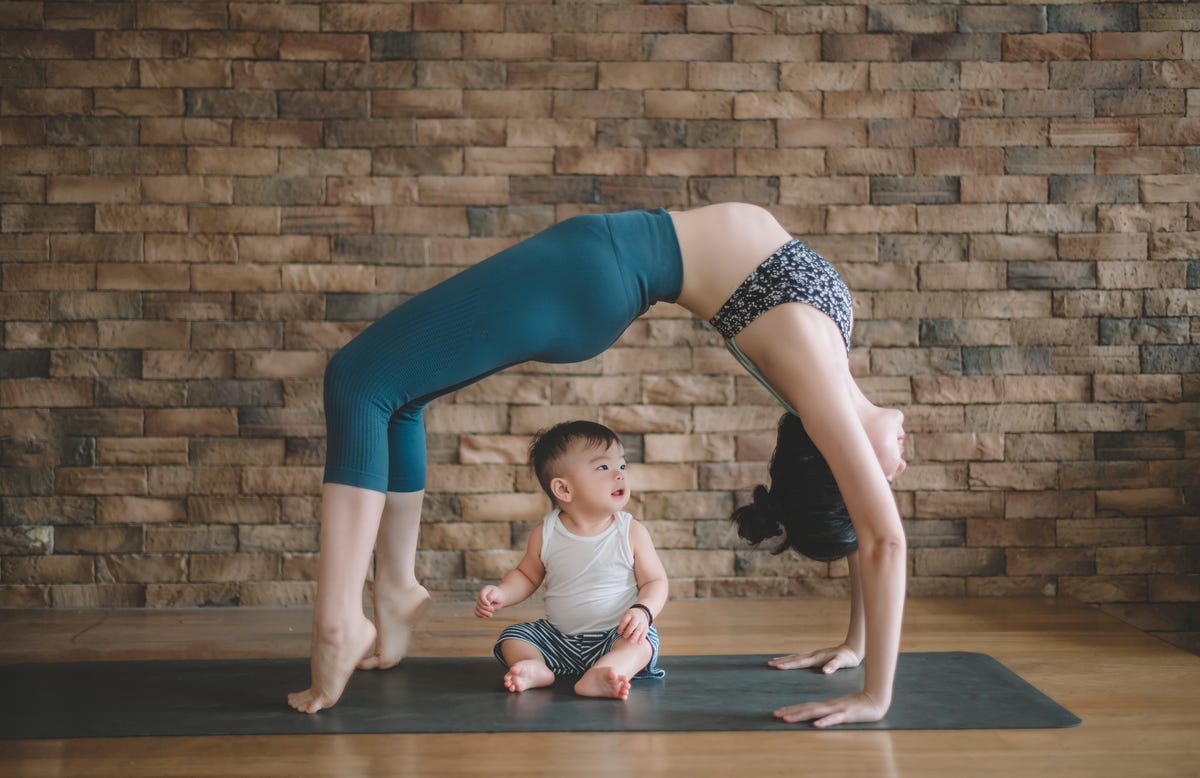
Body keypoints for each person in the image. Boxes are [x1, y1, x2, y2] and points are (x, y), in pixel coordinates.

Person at [287, 203, 907, 729]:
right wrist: (856, 643)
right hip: (598, 269)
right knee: (401, 394)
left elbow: (881, 539)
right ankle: (394, 590)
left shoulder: (816, 372)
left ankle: (339, 620)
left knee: (357, 380)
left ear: (839, 462)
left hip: (592, 272)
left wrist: (876, 694)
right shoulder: (828, 369)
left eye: (880, 480)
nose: (896, 470)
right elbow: (866, 524)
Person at [474, 420, 668, 700]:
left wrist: (643, 611)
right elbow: (527, 576)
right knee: (514, 635)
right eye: (604, 467)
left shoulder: (631, 531)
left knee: (643, 641)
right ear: (564, 489)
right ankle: (534, 667)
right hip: (558, 638)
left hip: (614, 635)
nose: (619, 474)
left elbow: (655, 581)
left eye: (622, 466)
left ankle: (607, 671)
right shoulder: (546, 533)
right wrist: (501, 593)